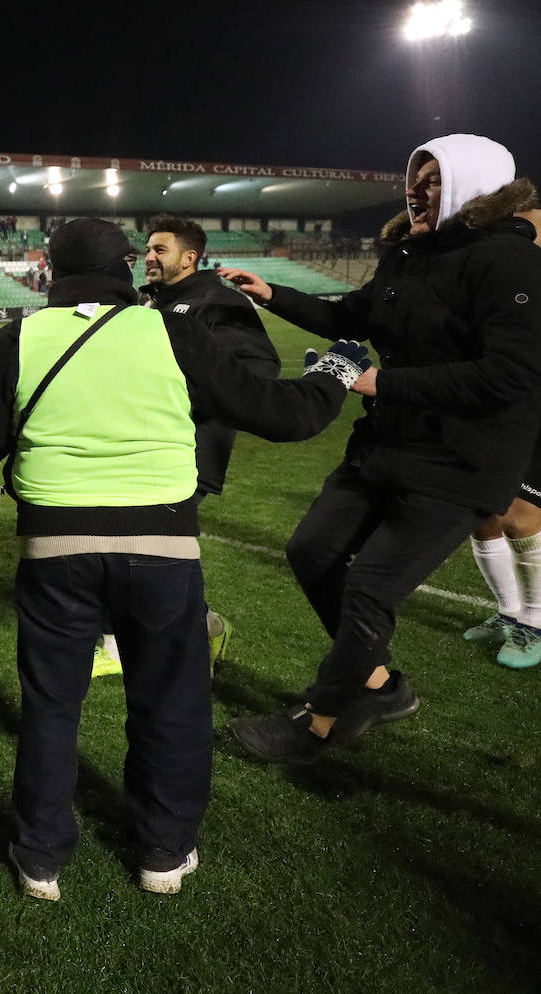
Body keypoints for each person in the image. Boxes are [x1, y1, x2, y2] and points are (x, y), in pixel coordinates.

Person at [0, 218, 362, 901]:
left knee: (53, 705)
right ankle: (162, 854)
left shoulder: (18, 336)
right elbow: (284, 415)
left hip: (55, 545)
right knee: (169, 703)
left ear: (51, 270)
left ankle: (40, 859)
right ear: (124, 267)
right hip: (161, 543)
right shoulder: (171, 331)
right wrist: (338, 371)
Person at [219, 134, 541, 762]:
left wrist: (377, 381)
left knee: (370, 586)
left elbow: (510, 374)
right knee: (311, 551)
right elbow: (354, 319)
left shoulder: (509, 262)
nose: (416, 191)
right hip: (389, 442)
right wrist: (272, 294)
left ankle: (320, 722)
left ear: (479, 185)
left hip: (461, 457)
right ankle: (379, 685)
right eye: (413, 177)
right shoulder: (409, 254)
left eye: (434, 178)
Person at [140, 215, 282, 665]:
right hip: (148, 445)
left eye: (160, 250)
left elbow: (260, 371)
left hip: (190, 448)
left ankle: (197, 632)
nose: (149, 257)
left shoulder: (217, 301)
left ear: (189, 257)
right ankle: (196, 627)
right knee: (146, 547)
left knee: (151, 545)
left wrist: (186, 394)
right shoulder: (153, 304)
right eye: (148, 249)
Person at [459, 202, 541, 668]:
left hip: (533, 395)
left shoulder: (529, 221)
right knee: (483, 509)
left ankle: (534, 620)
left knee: (521, 512)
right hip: (496, 394)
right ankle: (509, 611)